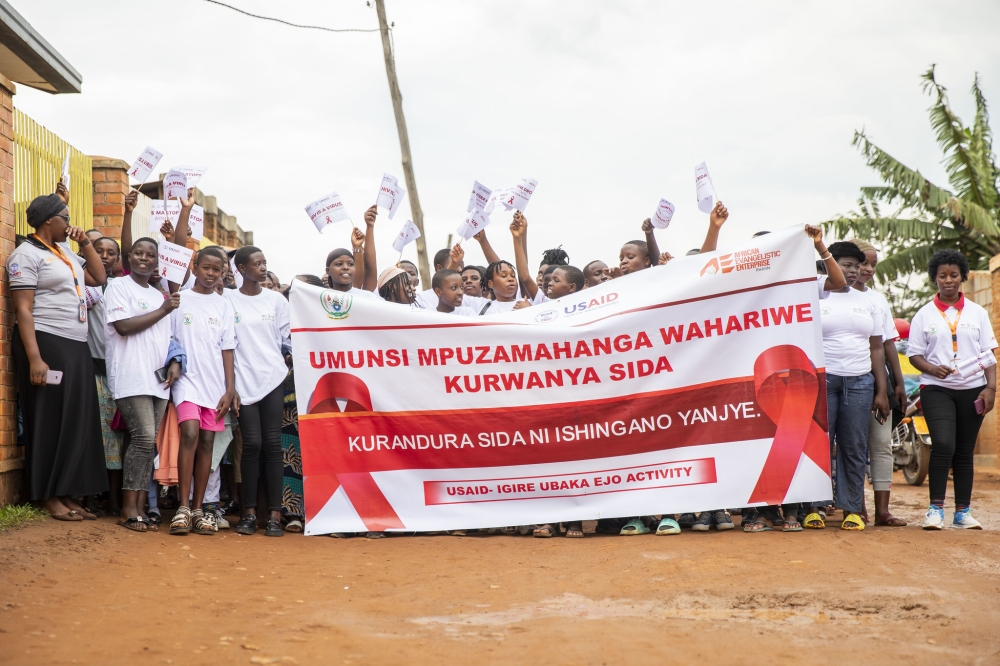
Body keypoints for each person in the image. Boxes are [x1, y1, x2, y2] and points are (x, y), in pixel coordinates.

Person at [8, 190, 108, 520]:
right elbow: (23, 310)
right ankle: (45, 495)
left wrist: (86, 244)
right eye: (65, 218)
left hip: (76, 345)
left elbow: (98, 278)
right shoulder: (25, 255)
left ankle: (65, 491)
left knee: (75, 420)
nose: (70, 223)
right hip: (46, 341)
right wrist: (35, 358)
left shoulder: (63, 250)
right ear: (49, 221)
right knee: (48, 419)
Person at [801, 239, 888, 532]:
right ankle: (815, 507)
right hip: (823, 380)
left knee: (853, 447)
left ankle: (851, 509)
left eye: (857, 265)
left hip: (860, 381)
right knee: (819, 444)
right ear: (831, 264)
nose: (854, 271)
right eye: (846, 265)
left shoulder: (869, 301)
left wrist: (881, 390)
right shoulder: (817, 292)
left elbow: (877, 348)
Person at [908, 250, 997, 530]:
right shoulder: (924, 315)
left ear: (962, 278)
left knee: (964, 451)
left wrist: (991, 387)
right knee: (944, 444)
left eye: (954, 275)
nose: (948, 280)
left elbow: (989, 352)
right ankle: (935, 510)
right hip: (937, 388)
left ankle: (962, 513)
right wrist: (933, 369)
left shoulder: (977, 313)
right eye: (942, 275)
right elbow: (914, 354)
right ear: (934, 278)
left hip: (973, 389)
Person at [104, 236, 179, 532]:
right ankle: (127, 508)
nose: (144, 258)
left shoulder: (159, 293)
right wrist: (163, 310)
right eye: (138, 253)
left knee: (148, 445)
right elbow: (123, 327)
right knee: (144, 438)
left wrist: (175, 362)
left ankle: (138, 507)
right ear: (129, 257)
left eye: (151, 254)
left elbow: (168, 338)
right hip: (130, 375)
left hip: (158, 380)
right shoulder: (118, 287)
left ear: (158, 262)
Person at [165, 232, 238, 536]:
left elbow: (227, 348)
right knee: (190, 433)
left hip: (214, 385)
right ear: (194, 267)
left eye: (217, 270)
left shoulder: (224, 306)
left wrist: (230, 388)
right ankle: (182, 507)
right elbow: (168, 338)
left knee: (207, 442)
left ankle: (198, 509)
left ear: (223, 273)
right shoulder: (180, 298)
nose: (211, 273)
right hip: (186, 381)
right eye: (206, 267)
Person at [228, 246, 292, 537]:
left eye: (265, 262)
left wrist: (290, 358)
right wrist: (231, 388)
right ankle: (249, 513)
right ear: (241, 269)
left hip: (273, 379)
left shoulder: (276, 301)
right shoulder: (227, 300)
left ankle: (275, 515)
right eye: (257, 263)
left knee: (272, 445)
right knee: (251, 445)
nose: (263, 267)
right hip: (243, 382)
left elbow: (286, 339)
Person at [849, 239, 909, 527]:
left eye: (873, 264)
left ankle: (882, 511)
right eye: (863, 263)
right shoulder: (832, 296)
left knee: (881, 443)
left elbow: (887, 344)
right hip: (848, 377)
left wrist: (897, 383)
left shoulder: (877, 299)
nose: (868, 269)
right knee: (853, 445)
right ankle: (855, 507)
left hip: (878, 383)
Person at [85, 234, 124, 516]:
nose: (106, 256)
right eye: (100, 251)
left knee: (114, 437)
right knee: (91, 435)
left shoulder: (122, 288)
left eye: (111, 252)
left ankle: (113, 500)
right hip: (90, 366)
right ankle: (88, 497)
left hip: (117, 372)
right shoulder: (83, 283)